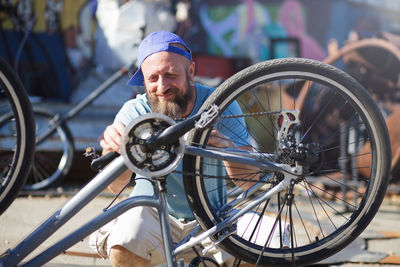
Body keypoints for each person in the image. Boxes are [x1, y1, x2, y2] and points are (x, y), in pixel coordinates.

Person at [89, 31, 254, 267]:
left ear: (191, 71)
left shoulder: (219, 103)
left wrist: (226, 148)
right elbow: (115, 185)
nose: (162, 86)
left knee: (268, 248)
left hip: (213, 216)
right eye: (152, 78)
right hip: (152, 214)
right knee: (124, 244)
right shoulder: (134, 111)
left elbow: (250, 180)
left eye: (170, 75)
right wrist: (112, 149)